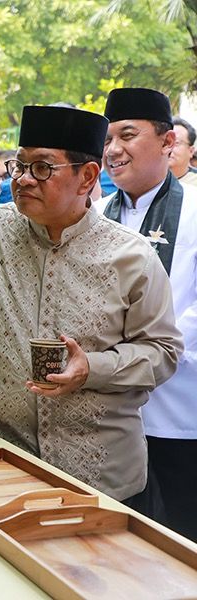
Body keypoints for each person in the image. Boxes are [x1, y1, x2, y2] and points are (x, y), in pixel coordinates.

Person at [0, 104, 182, 509]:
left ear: (86, 176)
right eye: (19, 166)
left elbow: (163, 351)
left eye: (42, 168)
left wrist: (92, 367)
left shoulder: (132, 256)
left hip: (101, 482)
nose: (22, 180)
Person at [97, 88, 197, 539]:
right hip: (110, 414)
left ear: (167, 142)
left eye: (128, 135)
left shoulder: (194, 211)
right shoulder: (96, 215)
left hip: (180, 408)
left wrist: (152, 348)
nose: (113, 149)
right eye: (107, 139)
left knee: (179, 536)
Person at [169, 116, 197, 186]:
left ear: (191, 151)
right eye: (166, 141)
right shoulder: (148, 180)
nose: (168, 147)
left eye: (176, 143)